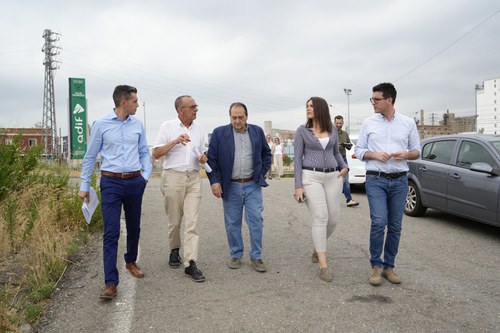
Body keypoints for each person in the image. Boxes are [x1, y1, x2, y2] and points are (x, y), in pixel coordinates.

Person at [79, 85, 152, 300]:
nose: (138, 104)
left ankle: (131, 261)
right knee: (111, 232)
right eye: (135, 101)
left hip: (134, 182)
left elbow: (144, 152)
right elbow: (90, 156)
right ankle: (111, 282)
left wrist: (144, 177)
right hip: (110, 182)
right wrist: (84, 185)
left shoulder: (137, 124)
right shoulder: (101, 125)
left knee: (134, 227)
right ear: (123, 102)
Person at [355, 83, 420, 286]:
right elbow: (358, 151)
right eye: (372, 99)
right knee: (378, 222)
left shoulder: (408, 123)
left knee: (395, 226)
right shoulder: (368, 123)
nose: (373, 102)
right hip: (376, 179)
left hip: (400, 180)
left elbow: (417, 151)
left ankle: (388, 267)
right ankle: (375, 266)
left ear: (389, 100)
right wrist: (374, 154)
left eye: (377, 99)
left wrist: (407, 154)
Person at [207, 102, 272, 272]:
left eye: (240, 117)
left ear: (247, 117)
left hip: (252, 185)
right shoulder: (219, 133)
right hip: (231, 186)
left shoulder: (257, 131)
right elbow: (211, 159)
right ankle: (236, 254)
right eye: (234, 117)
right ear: (230, 117)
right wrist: (214, 181)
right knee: (232, 223)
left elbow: (266, 154)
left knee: (256, 220)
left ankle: (256, 256)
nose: (237, 121)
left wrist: (261, 173)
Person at [153, 95, 208, 282]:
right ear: (180, 110)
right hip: (173, 177)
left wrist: (203, 157)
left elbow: (202, 152)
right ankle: (174, 249)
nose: (196, 109)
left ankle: (190, 263)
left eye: (196, 106)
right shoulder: (167, 127)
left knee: (191, 221)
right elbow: (156, 153)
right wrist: (175, 141)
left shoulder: (199, 129)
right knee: (175, 221)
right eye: (193, 107)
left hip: (193, 178)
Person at [294, 97, 349, 282]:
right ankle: (323, 266)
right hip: (311, 177)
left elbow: (335, 152)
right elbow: (297, 159)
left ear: (320, 109)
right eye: (307, 106)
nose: (308, 108)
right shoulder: (302, 131)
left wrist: (344, 167)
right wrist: (298, 185)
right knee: (320, 217)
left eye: (311, 106)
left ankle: (318, 247)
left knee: (333, 220)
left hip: (333, 176)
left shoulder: (333, 130)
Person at [334, 115, 359, 207]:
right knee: (334, 180)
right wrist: (336, 147)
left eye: (340, 123)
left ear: (343, 123)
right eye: (337, 123)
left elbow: (349, 147)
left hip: (343, 159)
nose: (338, 125)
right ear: (334, 123)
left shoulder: (345, 134)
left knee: (346, 180)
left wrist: (348, 146)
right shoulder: (330, 133)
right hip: (333, 159)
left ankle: (349, 200)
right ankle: (332, 200)